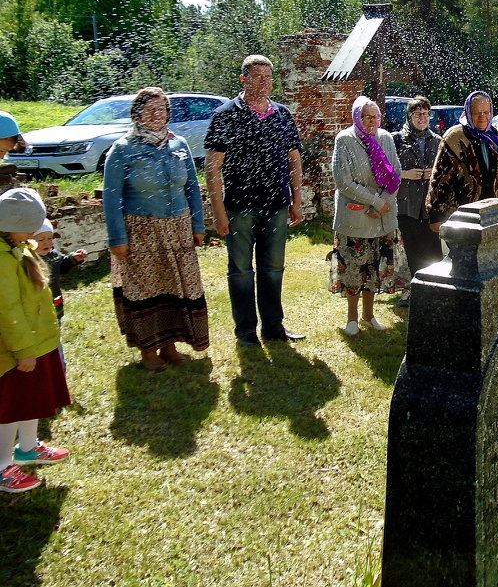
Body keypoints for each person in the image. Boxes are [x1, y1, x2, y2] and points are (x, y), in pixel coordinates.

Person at [103, 88, 210, 370]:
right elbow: (112, 196)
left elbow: (191, 189)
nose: (156, 115)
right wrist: (117, 238)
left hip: (178, 228)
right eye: (149, 110)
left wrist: (197, 226)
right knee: (145, 290)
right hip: (141, 230)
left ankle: (170, 345)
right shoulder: (123, 149)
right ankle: (148, 350)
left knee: (176, 287)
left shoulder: (179, 145)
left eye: (161, 110)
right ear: (136, 114)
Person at [205, 55, 305, 347]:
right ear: (243, 79)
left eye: (268, 77)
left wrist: (297, 201)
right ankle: (246, 330)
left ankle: (273, 326)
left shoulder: (282, 115)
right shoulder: (226, 115)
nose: (264, 82)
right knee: (240, 270)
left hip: (276, 205)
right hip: (239, 207)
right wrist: (218, 212)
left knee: (273, 268)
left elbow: (294, 161)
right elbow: (213, 168)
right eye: (257, 76)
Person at [0, 188, 71, 494]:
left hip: (37, 340)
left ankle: (28, 446)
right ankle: (2, 465)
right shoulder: (2, 260)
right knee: (10, 407)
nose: (35, 232)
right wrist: (24, 350)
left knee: (32, 400)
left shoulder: (20, 245)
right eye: (31, 226)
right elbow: (8, 308)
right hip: (15, 348)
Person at [330, 97, 407, 336]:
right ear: (357, 118)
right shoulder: (345, 139)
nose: (372, 121)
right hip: (356, 215)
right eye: (367, 117)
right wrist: (374, 201)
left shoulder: (385, 138)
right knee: (354, 269)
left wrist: (383, 202)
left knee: (374, 268)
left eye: (376, 117)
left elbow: (396, 172)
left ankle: (368, 315)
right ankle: (352, 318)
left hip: (381, 216)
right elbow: (343, 181)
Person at [426, 90, 498, 231]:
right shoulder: (455, 137)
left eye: (486, 112)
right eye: (477, 112)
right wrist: (435, 216)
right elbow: (439, 179)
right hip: (462, 218)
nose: (483, 116)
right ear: (468, 113)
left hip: (495, 215)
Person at [392, 96, 442, 305]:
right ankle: (410, 289)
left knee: (431, 246)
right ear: (409, 116)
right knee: (409, 247)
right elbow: (385, 171)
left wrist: (434, 173)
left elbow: (445, 171)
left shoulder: (437, 140)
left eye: (425, 114)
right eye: (417, 114)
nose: (422, 118)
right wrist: (405, 174)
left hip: (429, 203)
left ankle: (433, 287)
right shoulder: (397, 139)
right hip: (406, 203)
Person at [34, 218, 86, 366]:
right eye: (41, 239)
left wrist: (73, 259)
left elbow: (62, 265)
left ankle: (58, 361)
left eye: (49, 238)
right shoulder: (28, 260)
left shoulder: (53, 255)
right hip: (37, 307)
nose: (47, 243)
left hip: (54, 303)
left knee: (55, 331)